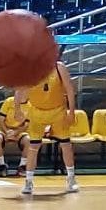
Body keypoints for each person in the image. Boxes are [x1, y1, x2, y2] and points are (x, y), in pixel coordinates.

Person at [15, 59, 79, 196]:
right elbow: (20, 89)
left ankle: (71, 178)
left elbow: (69, 89)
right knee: (33, 147)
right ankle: (28, 181)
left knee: (66, 145)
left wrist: (72, 112)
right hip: (36, 111)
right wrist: (17, 108)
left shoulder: (59, 67)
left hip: (58, 110)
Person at [0, 96, 26, 175]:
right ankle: (2, 165)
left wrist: (16, 132)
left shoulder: (30, 105)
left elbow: (26, 124)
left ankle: (22, 167)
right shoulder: (9, 101)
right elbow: (1, 119)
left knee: (28, 140)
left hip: (19, 131)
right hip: (4, 129)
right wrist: (7, 132)